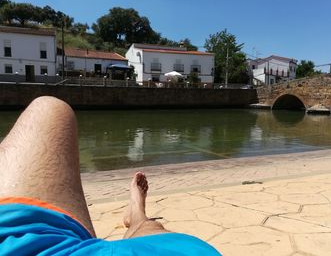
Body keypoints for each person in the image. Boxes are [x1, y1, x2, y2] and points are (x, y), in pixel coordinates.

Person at [0, 96, 220, 255]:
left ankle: (136, 213)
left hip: (31, 246)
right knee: (153, 229)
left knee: (48, 108)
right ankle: (137, 214)